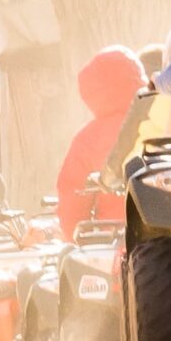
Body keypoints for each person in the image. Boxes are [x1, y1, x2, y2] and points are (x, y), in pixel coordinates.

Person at [54, 46, 144, 237]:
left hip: (114, 240)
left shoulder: (87, 138)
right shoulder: (160, 117)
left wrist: (73, 238)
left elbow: (73, 200)